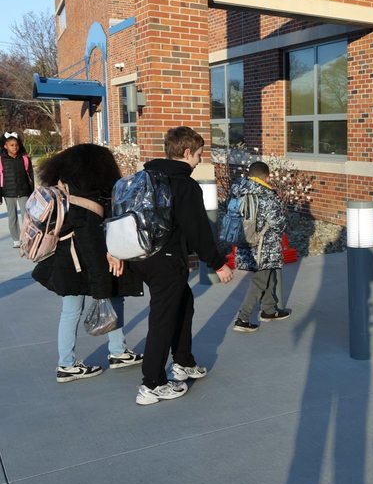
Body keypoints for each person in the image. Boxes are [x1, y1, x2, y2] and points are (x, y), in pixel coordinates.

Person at [133, 126, 233, 405]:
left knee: (184, 304)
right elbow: (198, 230)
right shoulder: (184, 185)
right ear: (187, 152)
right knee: (163, 320)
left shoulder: (145, 177)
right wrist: (218, 264)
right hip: (165, 261)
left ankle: (184, 361)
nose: (200, 160)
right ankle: (152, 384)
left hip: (141, 257)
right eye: (199, 155)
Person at [31, 144, 145, 382]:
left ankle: (81, 359)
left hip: (63, 259)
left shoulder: (61, 186)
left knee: (71, 310)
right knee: (109, 297)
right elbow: (91, 242)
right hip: (81, 261)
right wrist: (102, 281)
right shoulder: (87, 198)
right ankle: (80, 361)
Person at [230, 161, 291, 333]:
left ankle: (269, 310)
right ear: (267, 176)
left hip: (245, 242)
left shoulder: (237, 190)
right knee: (259, 280)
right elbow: (277, 223)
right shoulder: (267, 195)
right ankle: (242, 318)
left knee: (269, 274)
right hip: (264, 245)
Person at [1, 132, 35, 248]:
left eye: (16, 145)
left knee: (27, 216)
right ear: (5, 146)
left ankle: (27, 238)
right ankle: (16, 239)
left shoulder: (24, 158)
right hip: (8, 192)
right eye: (11, 145)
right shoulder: (1, 160)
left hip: (23, 190)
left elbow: (30, 175)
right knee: (12, 216)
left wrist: (32, 190)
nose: (14, 147)